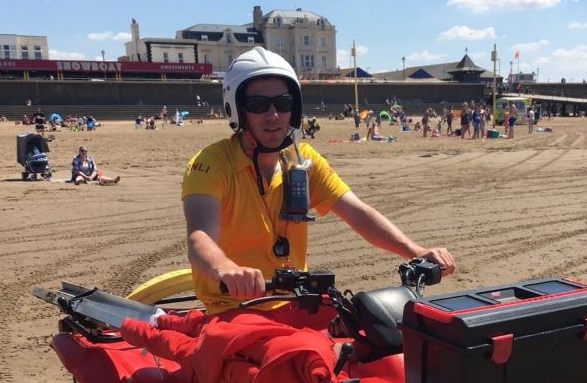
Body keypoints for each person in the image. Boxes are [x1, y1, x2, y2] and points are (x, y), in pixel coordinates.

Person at [181, 47, 455, 314]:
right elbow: (199, 236)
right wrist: (226, 269)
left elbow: (358, 214)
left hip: (297, 304)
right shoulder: (210, 164)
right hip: (232, 309)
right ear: (237, 110)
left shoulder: (303, 161)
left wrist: (415, 250)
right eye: (258, 105)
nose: (273, 115)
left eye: (284, 103)